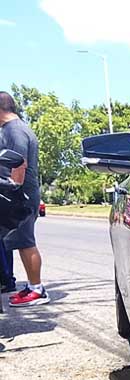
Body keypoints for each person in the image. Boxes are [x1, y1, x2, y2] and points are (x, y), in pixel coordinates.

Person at [0, 92, 46, 306]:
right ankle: (31, 286)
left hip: (20, 195)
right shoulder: (12, 129)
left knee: (26, 241)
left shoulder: (15, 131)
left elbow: (18, 163)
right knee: (20, 241)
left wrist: (12, 191)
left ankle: (37, 290)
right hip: (20, 194)